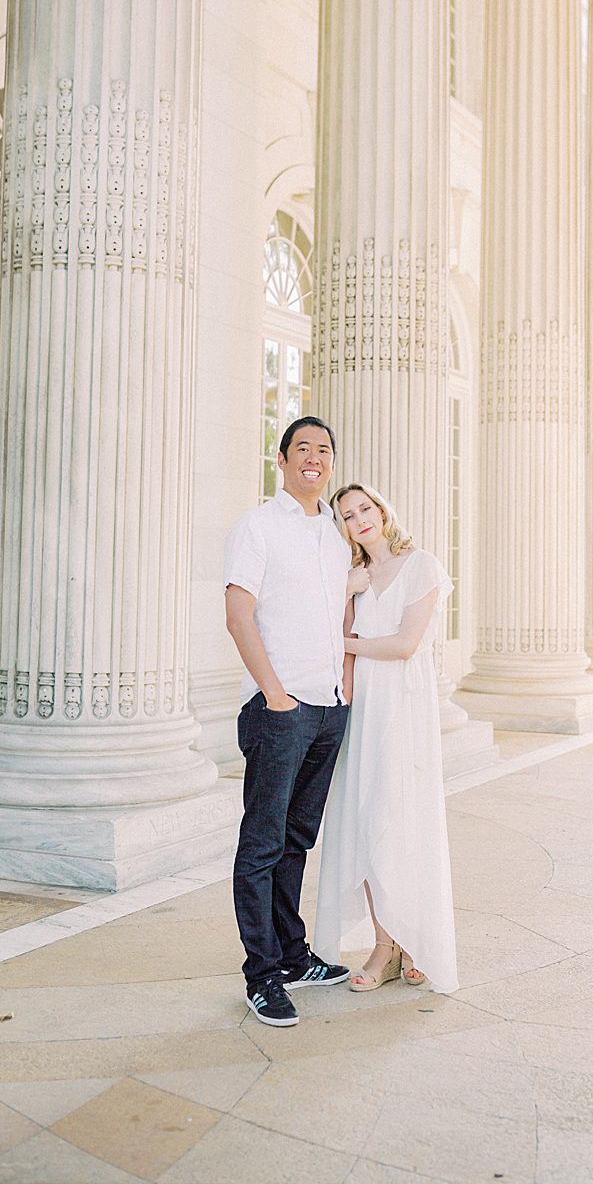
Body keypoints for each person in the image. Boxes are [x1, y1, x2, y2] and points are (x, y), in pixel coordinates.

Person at [224, 416, 353, 1028]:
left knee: (297, 843)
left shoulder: (334, 529)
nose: (314, 457)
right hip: (281, 712)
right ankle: (262, 974)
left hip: (328, 710)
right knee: (262, 846)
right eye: (303, 447)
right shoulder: (257, 526)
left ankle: (294, 957)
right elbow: (238, 615)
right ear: (281, 459)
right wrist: (276, 696)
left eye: (324, 450)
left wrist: (343, 692)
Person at [314, 483, 459, 994]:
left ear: (381, 510)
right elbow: (328, 640)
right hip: (363, 713)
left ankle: (414, 937)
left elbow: (403, 645)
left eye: (365, 509)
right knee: (368, 819)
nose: (360, 520)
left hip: (402, 708)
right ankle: (385, 944)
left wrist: (344, 642)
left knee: (402, 819)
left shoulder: (421, 565)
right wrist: (344, 592)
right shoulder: (352, 578)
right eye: (348, 516)